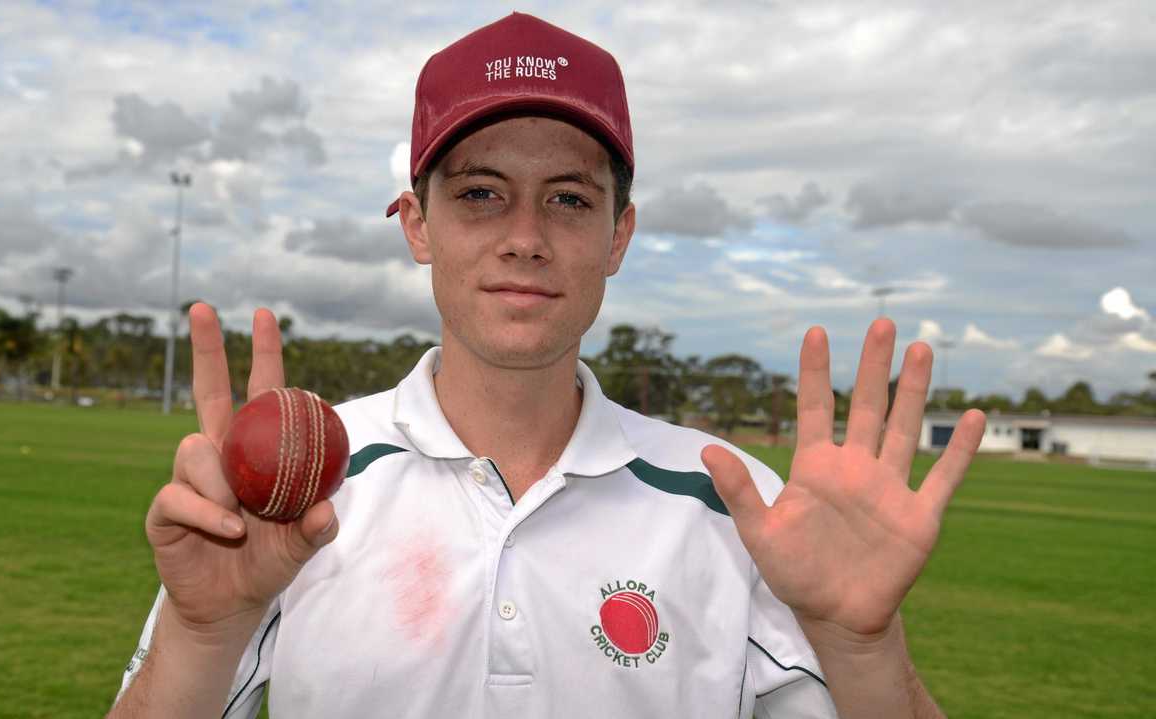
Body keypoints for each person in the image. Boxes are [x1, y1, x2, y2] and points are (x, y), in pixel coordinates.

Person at [109, 12, 985, 719]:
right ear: (417, 223)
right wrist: (202, 632)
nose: (524, 238)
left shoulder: (730, 502)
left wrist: (866, 652)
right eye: (480, 193)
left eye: (569, 199)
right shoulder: (302, 495)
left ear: (620, 236)